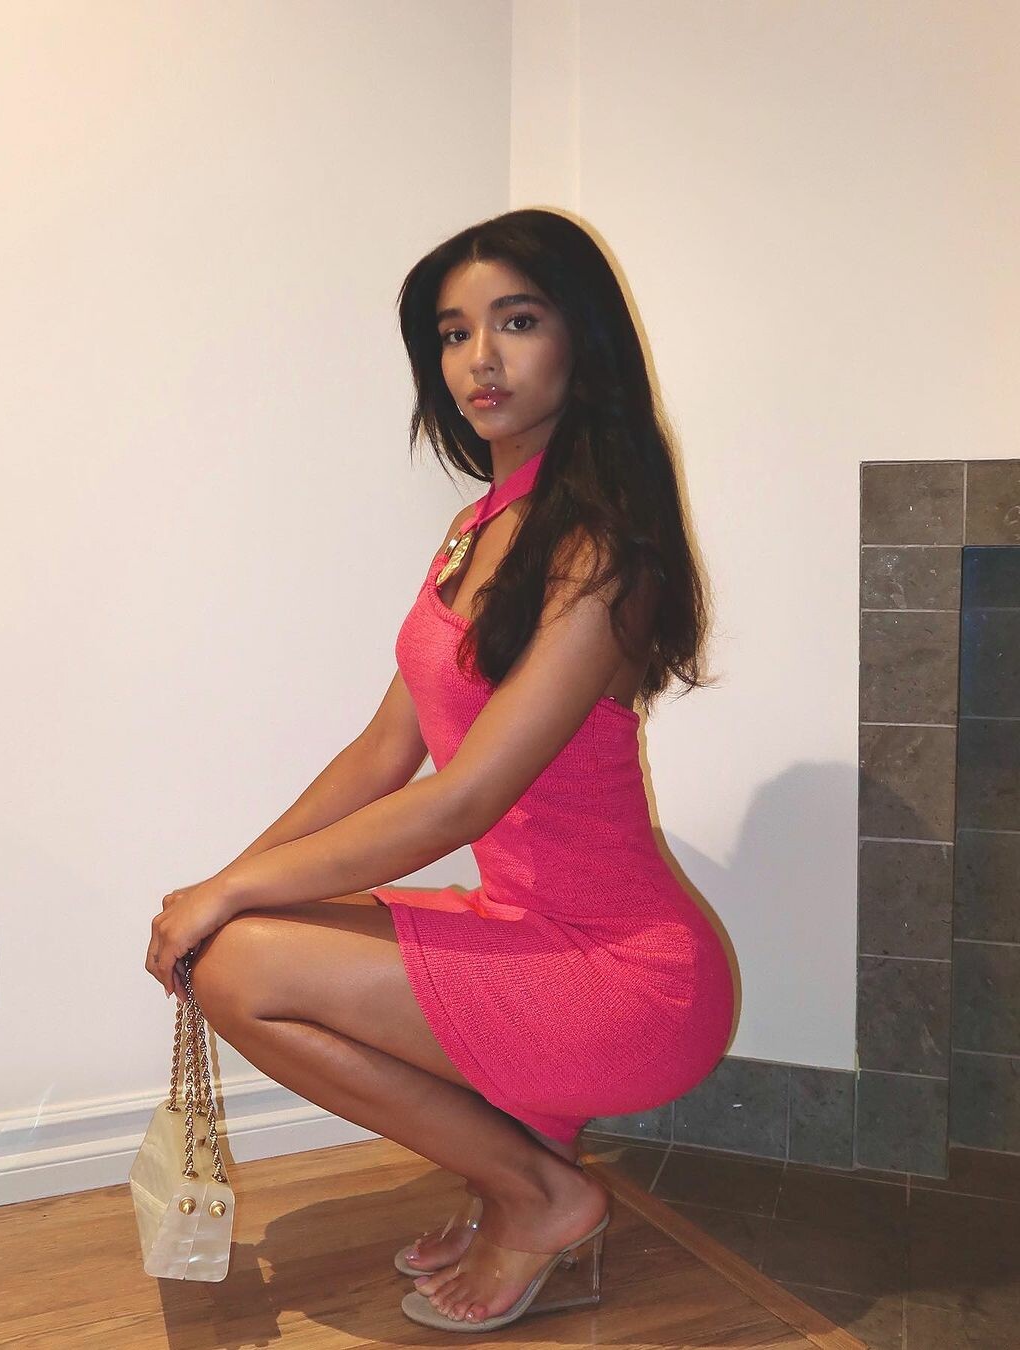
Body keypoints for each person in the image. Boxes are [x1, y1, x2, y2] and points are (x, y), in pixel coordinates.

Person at [144, 207, 735, 1331]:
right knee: (234, 931)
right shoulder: (478, 527)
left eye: (517, 321)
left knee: (236, 966)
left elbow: (463, 798)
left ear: (583, 338)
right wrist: (224, 880)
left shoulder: (600, 550)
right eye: (454, 334)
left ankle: (540, 1195)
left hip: (626, 975)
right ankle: (515, 1171)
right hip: (528, 926)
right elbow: (384, 753)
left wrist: (230, 898)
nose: (480, 360)